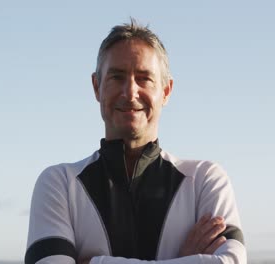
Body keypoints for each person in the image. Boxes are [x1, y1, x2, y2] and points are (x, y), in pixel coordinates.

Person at [25, 19, 246, 264]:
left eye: (144, 78)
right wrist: (184, 260)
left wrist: (93, 262)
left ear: (166, 91)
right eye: (117, 77)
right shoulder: (60, 184)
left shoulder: (205, 180)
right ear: (96, 86)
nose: (130, 93)